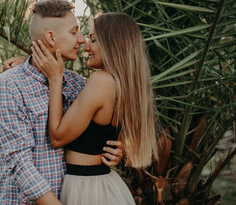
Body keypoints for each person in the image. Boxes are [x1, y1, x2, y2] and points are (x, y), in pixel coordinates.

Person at [0, 0, 124, 205]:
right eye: (74, 32)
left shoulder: (79, 85)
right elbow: (19, 162)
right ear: (51, 37)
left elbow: (101, 126)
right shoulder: (8, 86)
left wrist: (118, 147)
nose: (81, 40)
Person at [31, 12, 158, 205]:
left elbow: (57, 137)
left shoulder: (102, 81)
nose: (86, 46)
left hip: (86, 188)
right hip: (103, 184)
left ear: (112, 45)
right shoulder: (126, 85)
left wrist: (55, 79)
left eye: (93, 40)